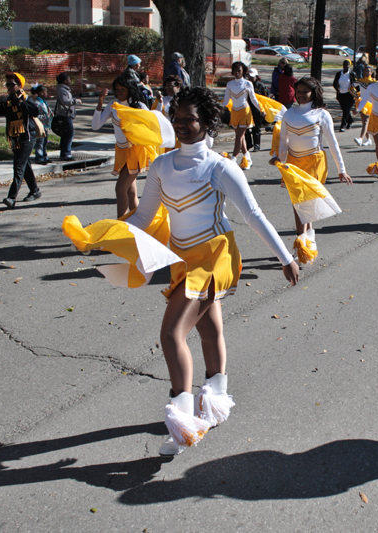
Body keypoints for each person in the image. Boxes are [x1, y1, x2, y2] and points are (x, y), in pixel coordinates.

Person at [115, 87, 299, 455]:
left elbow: (253, 215)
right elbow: (142, 216)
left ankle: (183, 424)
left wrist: (285, 257)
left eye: (190, 119)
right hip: (182, 257)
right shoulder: (162, 165)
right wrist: (104, 234)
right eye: (177, 118)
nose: (182, 125)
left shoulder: (220, 167)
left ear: (207, 123)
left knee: (171, 334)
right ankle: (215, 400)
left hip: (215, 256)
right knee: (209, 326)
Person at [271, 76, 352, 262]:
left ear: (313, 93)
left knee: (304, 202)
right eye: (298, 92)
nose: (300, 95)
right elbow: (283, 141)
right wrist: (280, 162)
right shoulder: (289, 114)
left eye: (304, 92)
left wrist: (342, 169)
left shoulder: (321, 114)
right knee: (298, 203)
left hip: (315, 162)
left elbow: (332, 143)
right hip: (292, 163)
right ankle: (307, 239)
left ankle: (303, 242)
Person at [92, 72, 151, 217]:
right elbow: (96, 126)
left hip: (136, 152)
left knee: (120, 188)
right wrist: (100, 103)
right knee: (131, 193)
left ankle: (122, 224)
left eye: (122, 89)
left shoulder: (140, 106)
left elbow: (152, 126)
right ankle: (138, 225)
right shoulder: (113, 106)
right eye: (116, 89)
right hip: (121, 152)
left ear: (130, 89)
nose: (119, 92)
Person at [0, 73, 41, 209]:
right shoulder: (8, 101)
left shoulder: (25, 98)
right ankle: (35, 190)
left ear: (19, 85)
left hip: (27, 137)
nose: (9, 87)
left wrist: (22, 103)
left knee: (18, 167)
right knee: (24, 164)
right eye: (7, 84)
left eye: (12, 84)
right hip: (14, 138)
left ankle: (11, 197)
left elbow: (35, 112)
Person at [222, 61, 262, 169]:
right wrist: (217, 107)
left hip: (245, 111)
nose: (237, 72)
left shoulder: (247, 83)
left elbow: (253, 99)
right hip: (234, 112)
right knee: (241, 137)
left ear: (243, 71)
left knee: (239, 136)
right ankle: (247, 158)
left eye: (239, 70)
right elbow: (226, 101)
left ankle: (234, 159)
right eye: (235, 70)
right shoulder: (229, 84)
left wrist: (260, 109)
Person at [54, 72, 81, 161]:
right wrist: (75, 101)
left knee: (66, 135)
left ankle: (65, 153)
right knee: (68, 135)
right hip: (65, 115)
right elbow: (65, 101)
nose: (70, 81)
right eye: (69, 79)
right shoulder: (62, 90)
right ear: (65, 81)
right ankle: (66, 153)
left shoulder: (65, 89)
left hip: (67, 115)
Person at [245, 68, 267, 152]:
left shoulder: (261, 86)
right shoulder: (246, 84)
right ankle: (249, 144)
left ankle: (256, 145)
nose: (250, 78)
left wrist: (263, 110)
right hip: (247, 109)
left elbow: (265, 98)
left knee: (256, 128)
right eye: (249, 76)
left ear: (256, 77)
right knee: (246, 127)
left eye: (252, 77)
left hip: (257, 110)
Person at [352, 65, 376, 146]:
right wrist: (356, 95)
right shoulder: (360, 81)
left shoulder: (374, 82)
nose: (366, 72)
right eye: (365, 71)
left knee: (366, 121)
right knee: (363, 122)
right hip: (362, 103)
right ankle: (368, 139)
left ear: (371, 72)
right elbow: (350, 88)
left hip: (370, 104)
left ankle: (360, 139)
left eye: (368, 71)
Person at [29, 84, 53, 164]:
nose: (46, 93)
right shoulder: (37, 103)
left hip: (45, 125)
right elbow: (37, 114)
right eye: (45, 92)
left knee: (45, 141)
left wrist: (50, 113)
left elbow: (47, 110)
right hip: (40, 125)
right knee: (40, 141)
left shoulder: (44, 102)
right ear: (41, 92)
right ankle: (39, 157)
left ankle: (44, 156)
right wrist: (45, 116)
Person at [333, 60, 355, 132]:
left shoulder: (352, 74)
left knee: (346, 110)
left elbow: (356, 84)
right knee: (345, 110)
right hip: (341, 95)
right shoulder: (339, 74)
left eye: (348, 64)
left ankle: (343, 125)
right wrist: (337, 89)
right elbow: (334, 83)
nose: (347, 66)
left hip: (350, 95)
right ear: (343, 65)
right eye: (345, 64)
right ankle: (350, 120)